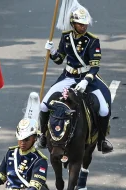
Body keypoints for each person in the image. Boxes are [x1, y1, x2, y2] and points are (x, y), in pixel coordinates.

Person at [43, 3, 113, 153]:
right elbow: (59, 60)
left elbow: (95, 67)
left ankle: (101, 141)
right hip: (68, 77)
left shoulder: (92, 40)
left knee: (104, 109)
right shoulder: (66, 37)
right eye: (80, 24)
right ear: (73, 24)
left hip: (87, 79)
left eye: (85, 24)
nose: (83, 27)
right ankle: (42, 135)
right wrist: (52, 51)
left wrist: (86, 81)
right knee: (44, 105)